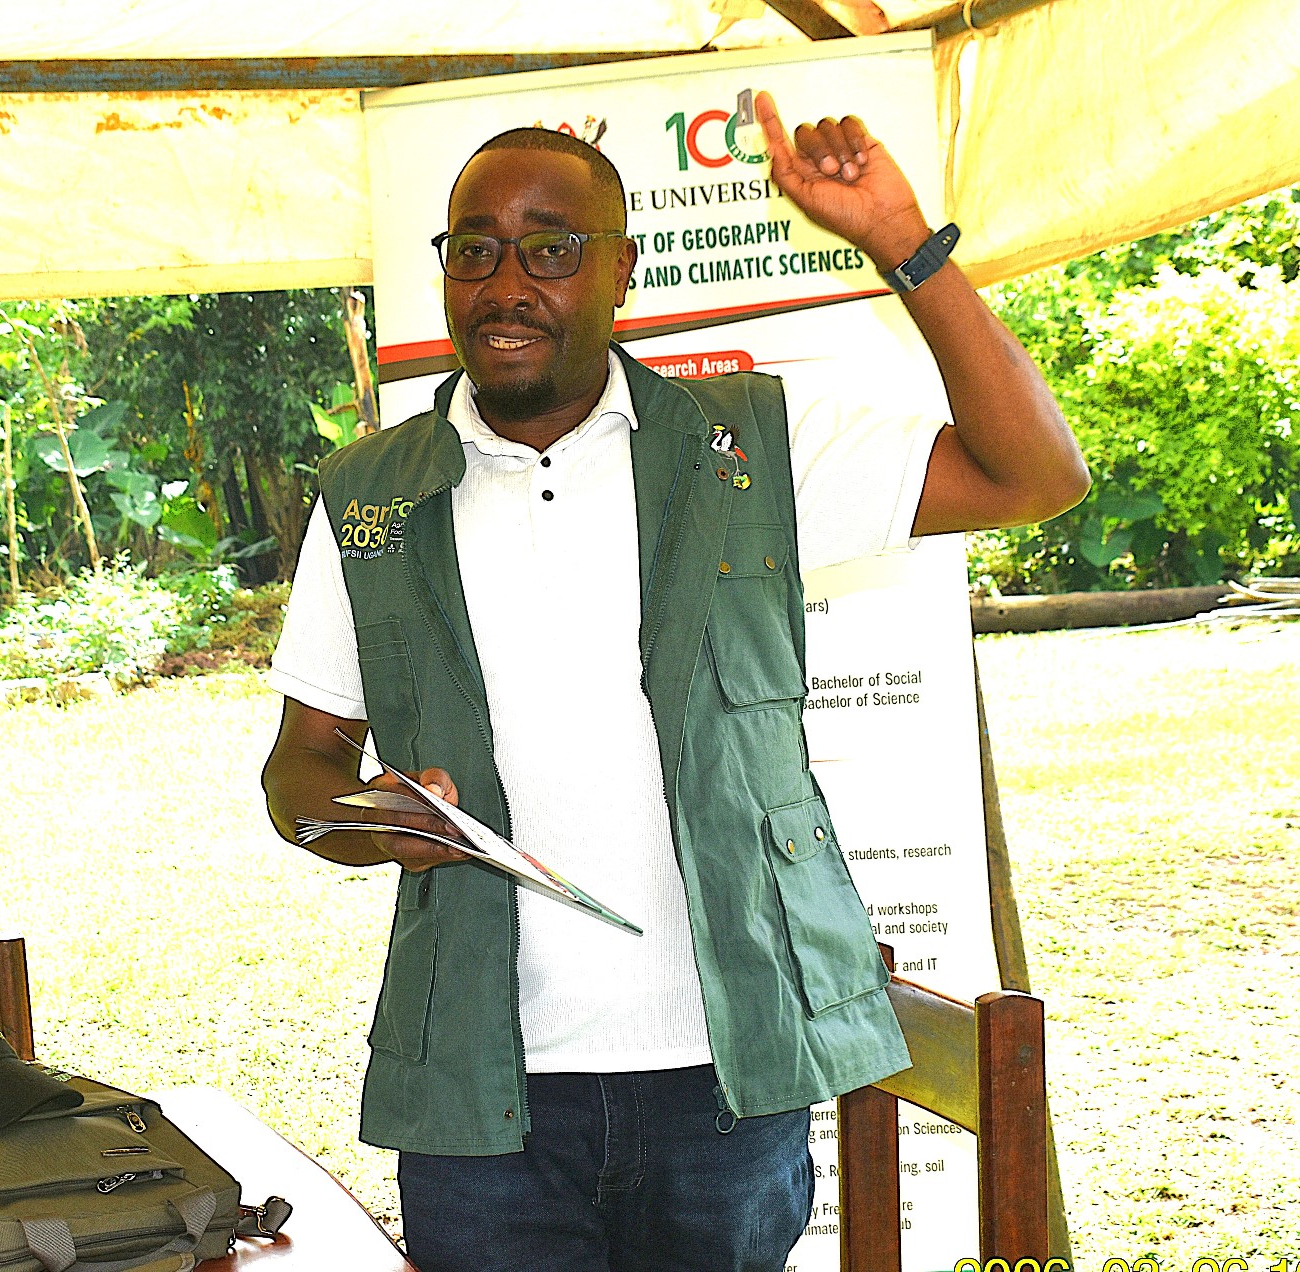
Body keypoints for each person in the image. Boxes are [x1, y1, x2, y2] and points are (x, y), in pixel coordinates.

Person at [261, 92, 1089, 1272]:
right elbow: (299, 771)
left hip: (725, 1083)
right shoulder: (370, 499)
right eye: (474, 250)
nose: (507, 284)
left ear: (621, 272)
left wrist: (903, 242)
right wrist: (359, 821)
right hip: (482, 1100)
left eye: (551, 250)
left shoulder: (748, 446)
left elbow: (1034, 475)